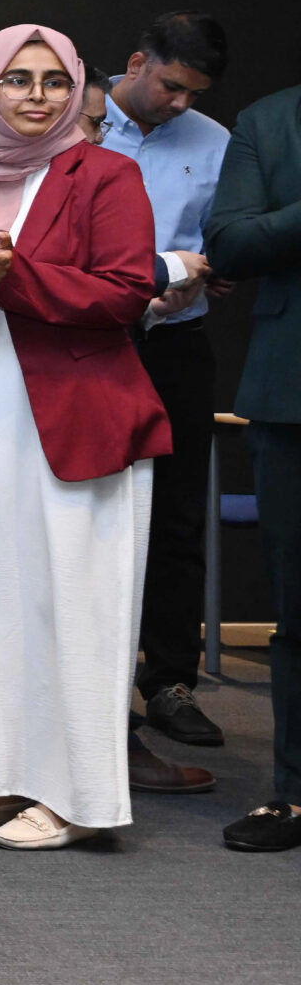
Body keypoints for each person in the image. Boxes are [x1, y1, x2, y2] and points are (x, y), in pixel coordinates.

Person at [0, 25, 170, 848]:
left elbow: (125, 293)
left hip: (75, 419)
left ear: (75, 88)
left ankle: (77, 799)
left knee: (74, 609)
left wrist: (15, 278)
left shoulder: (107, 174)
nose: (37, 96)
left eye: (53, 80)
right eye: (17, 79)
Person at [99, 13, 235, 753]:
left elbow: (228, 239)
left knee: (178, 514)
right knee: (85, 511)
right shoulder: (76, 120)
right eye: (172, 86)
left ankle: (171, 683)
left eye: (195, 94)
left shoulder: (215, 142)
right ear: (136, 62)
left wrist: (212, 271)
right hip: (91, 342)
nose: (181, 104)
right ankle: (89, 683)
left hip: (177, 344)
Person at [207, 71, 301, 851]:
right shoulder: (269, 123)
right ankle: (294, 795)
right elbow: (230, 243)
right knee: (297, 611)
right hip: (292, 395)